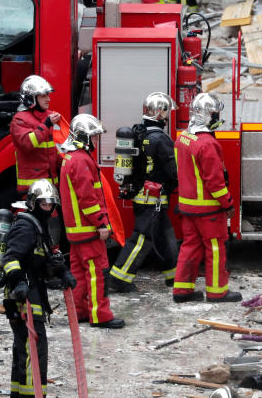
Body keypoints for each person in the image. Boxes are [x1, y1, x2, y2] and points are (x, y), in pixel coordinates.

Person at [2, 180, 77, 398]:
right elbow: (10, 259)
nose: (49, 208)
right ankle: (31, 395)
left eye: (51, 204)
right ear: (34, 203)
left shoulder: (38, 225)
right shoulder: (25, 226)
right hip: (22, 296)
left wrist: (62, 271)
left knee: (24, 347)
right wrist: (19, 282)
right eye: (44, 204)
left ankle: (19, 394)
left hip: (32, 292)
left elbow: (43, 257)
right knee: (33, 351)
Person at [172, 92, 241, 303]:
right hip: (208, 209)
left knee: (190, 247)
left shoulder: (182, 138)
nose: (218, 118)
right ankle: (217, 292)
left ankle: (182, 290)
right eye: (215, 114)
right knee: (215, 249)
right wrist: (228, 203)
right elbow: (215, 182)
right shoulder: (207, 144)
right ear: (208, 115)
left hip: (187, 207)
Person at [59, 114, 125, 328]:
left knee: (78, 273)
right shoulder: (81, 160)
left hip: (75, 232)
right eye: (94, 137)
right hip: (88, 231)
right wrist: (101, 223)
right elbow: (88, 199)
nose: (96, 141)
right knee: (98, 273)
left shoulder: (70, 158)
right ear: (83, 137)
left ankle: (80, 312)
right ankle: (101, 315)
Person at [108, 92, 179, 292]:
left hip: (143, 194)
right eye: (166, 114)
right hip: (152, 198)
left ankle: (175, 275)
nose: (167, 118)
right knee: (141, 238)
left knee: (165, 235)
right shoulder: (161, 139)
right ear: (160, 114)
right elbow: (172, 170)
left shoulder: (138, 132)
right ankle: (119, 277)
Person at [10, 75, 60, 197]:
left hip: (52, 186)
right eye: (43, 96)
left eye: (48, 95)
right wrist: (46, 125)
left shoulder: (50, 116)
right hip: (32, 188)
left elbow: (58, 147)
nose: (48, 99)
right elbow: (27, 144)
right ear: (30, 98)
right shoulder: (20, 120)